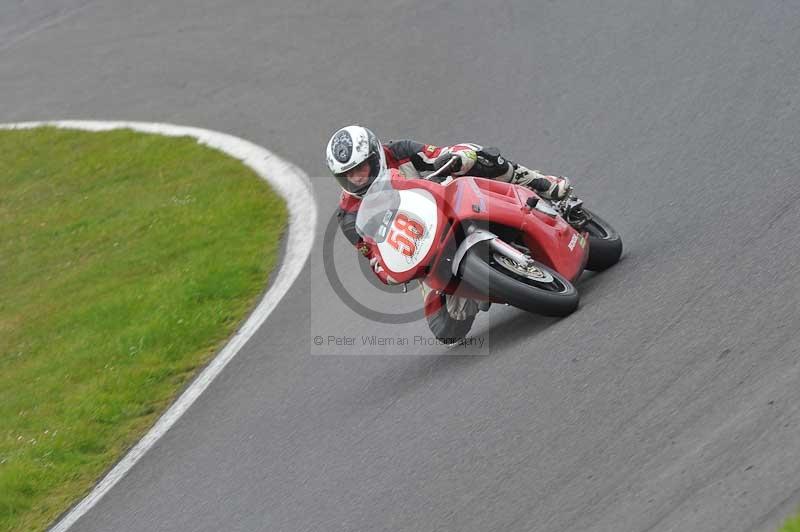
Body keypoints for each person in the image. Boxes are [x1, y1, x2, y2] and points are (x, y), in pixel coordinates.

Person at [326, 124, 571, 285]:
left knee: (480, 157)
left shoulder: (400, 150)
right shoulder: (349, 216)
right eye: (348, 174)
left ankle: (542, 184)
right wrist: (388, 273)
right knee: (448, 328)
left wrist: (457, 157)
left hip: (448, 201)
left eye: (361, 167)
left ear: (375, 156)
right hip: (422, 246)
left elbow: (438, 154)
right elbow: (375, 259)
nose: (357, 177)